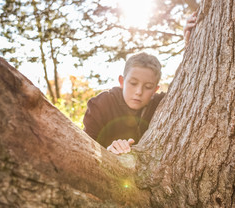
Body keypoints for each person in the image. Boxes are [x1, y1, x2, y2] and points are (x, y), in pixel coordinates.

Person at [83, 12, 197, 155]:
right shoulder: (100, 105)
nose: (138, 91)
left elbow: (190, 89)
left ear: (155, 89)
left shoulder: (161, 105)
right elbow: (85, 149)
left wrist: (190, 45)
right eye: (133, 83)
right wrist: (108, 153)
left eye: (148, 87)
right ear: (122, 82)